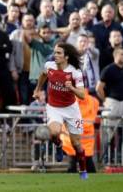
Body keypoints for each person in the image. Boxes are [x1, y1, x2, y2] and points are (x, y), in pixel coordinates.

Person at [33, 42, 88, 180]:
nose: (55, 55)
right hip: (54, 107)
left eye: (58, 53)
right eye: (55, 52)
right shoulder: (49, 65)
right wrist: (38, 89)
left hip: (71, 110)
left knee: (77, 144)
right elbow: (43, 75)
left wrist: (72, 88)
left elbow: (82, 95)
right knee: (53, 132)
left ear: (67, 57)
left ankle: (83, 170)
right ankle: (59, 145)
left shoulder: (75, 72)